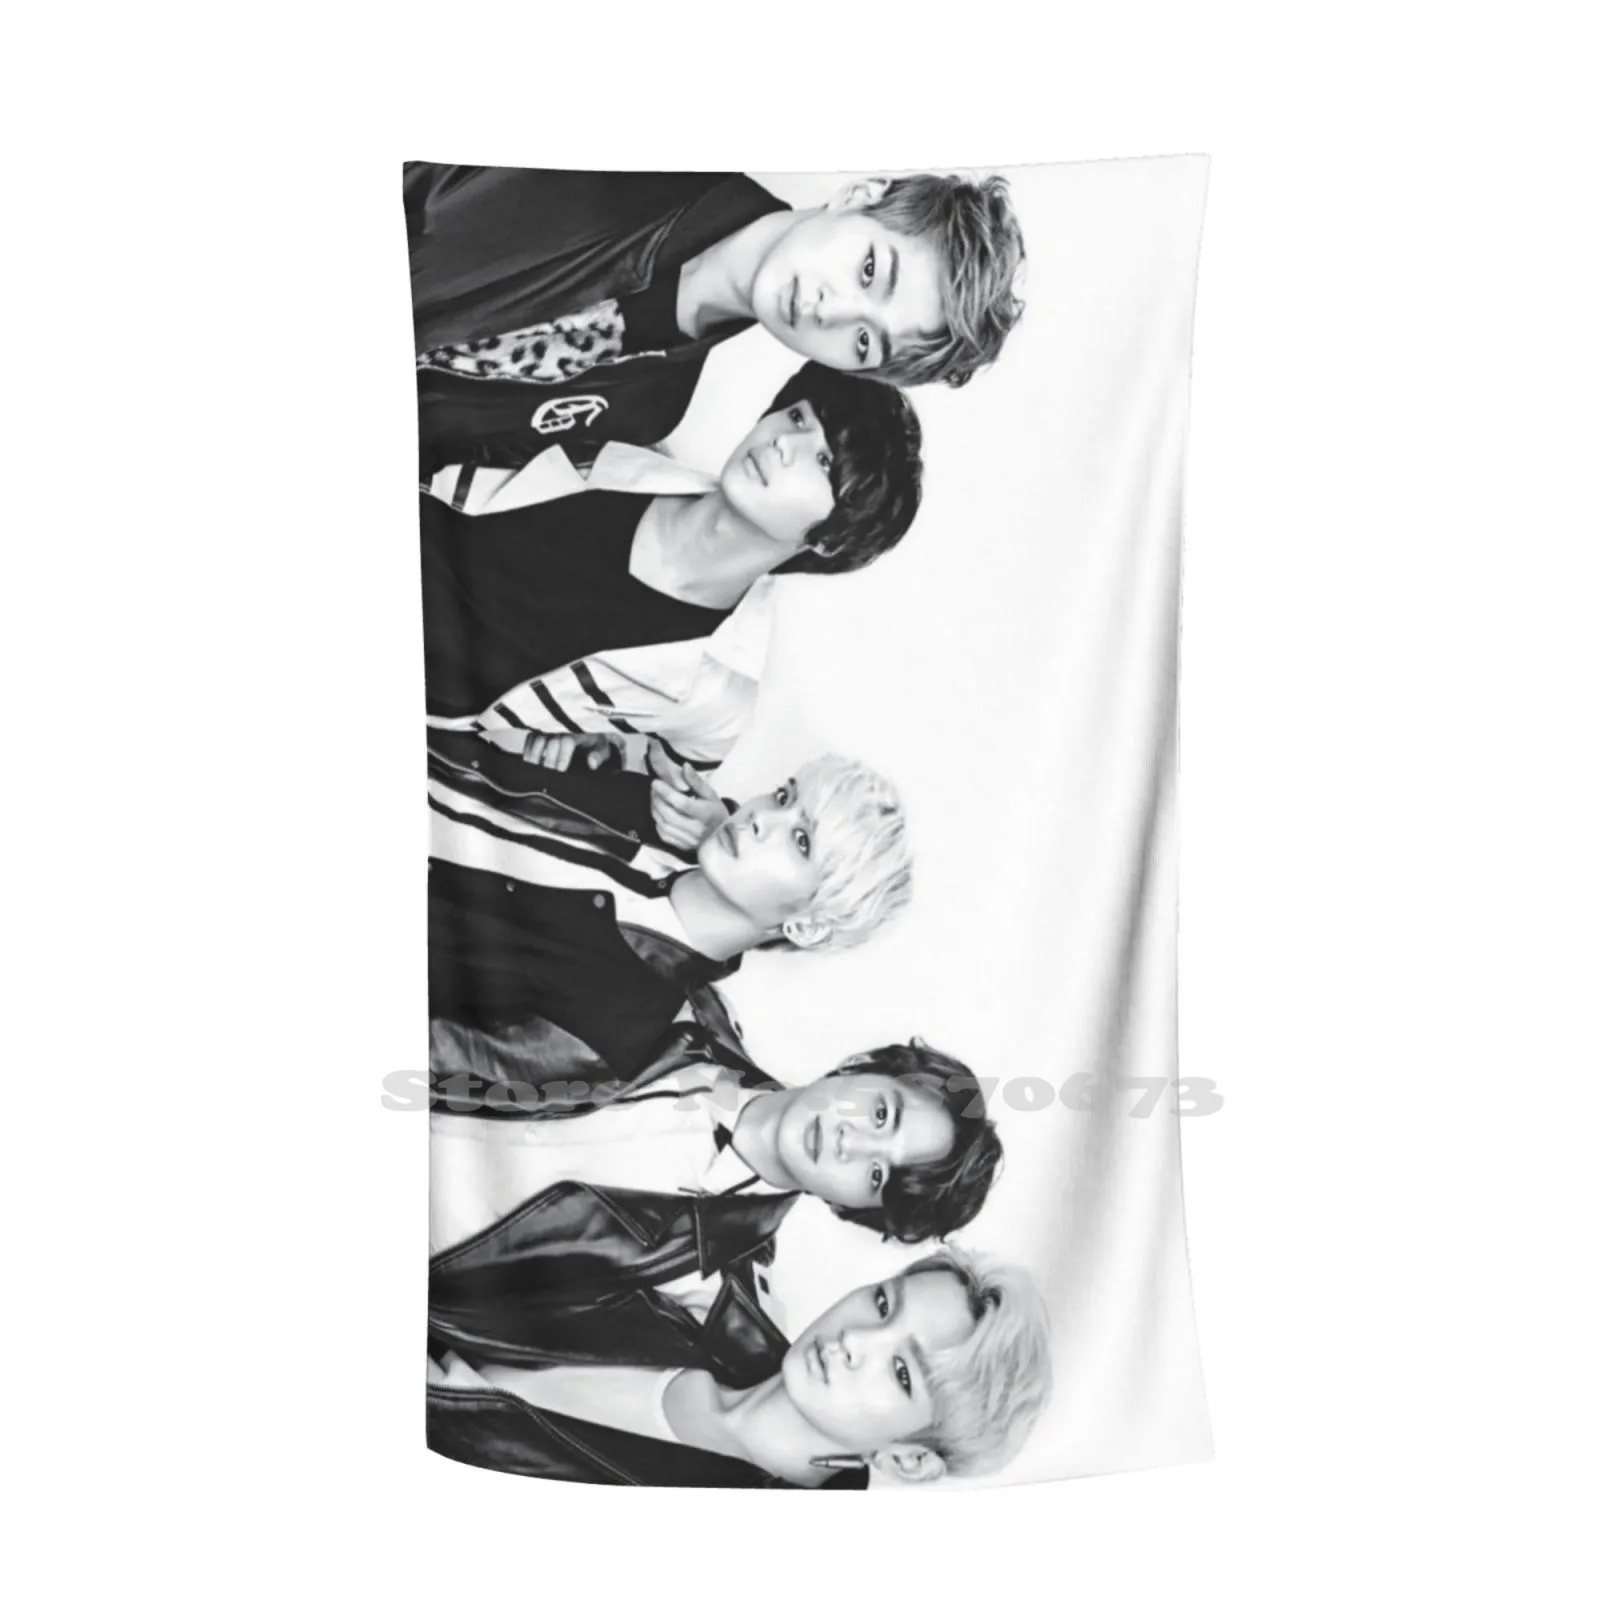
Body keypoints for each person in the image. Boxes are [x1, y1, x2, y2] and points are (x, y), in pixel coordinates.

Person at [406, 163, 1025, 476]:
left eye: (864, 341)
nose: (831, 309)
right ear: (861, 197)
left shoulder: (649, 410)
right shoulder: (626, 164)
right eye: (868, 269)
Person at [419, 360, 922, 720]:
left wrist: (600, 753)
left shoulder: (718, 689)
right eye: (797, 417)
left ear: (831, 541)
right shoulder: (630, 434)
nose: (784, 443)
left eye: (823, 462)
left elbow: (671, 791)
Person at [426, 738, 912, 1088]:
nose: (762, 817)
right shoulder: (655, 807)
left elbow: (435, 1056)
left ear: (806, 926)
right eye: (784, 796)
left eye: (801, 841)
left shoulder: (613, 1026)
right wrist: (578, 742)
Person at [427, 1247, 1052, 1488]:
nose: (855, 1339)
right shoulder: (701, 1304)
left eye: (903, 1372)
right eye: (884, 1304)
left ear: (909, 1459)